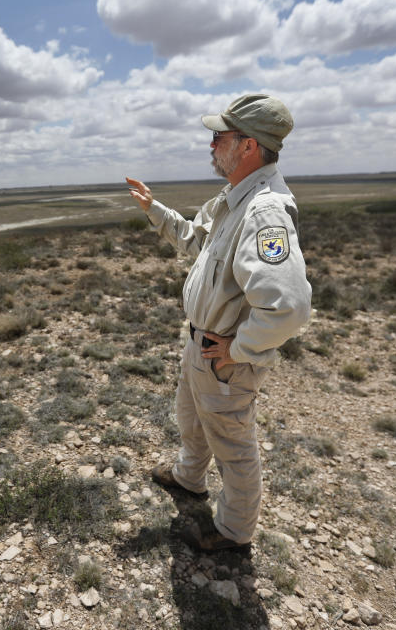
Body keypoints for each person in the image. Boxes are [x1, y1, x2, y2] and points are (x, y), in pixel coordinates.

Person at [126, 94, 312, 551]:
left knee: (232, 445)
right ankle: (189, 479)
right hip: (202, 346)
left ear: (247, 146)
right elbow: (196, 241)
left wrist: (239, 350)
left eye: (219, 136)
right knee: (191, 420)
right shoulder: (234, 200)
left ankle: (233, 532)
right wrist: (156, 209)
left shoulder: (263, 212)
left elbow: (288, 306)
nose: (211, 144)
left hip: (223, 355)